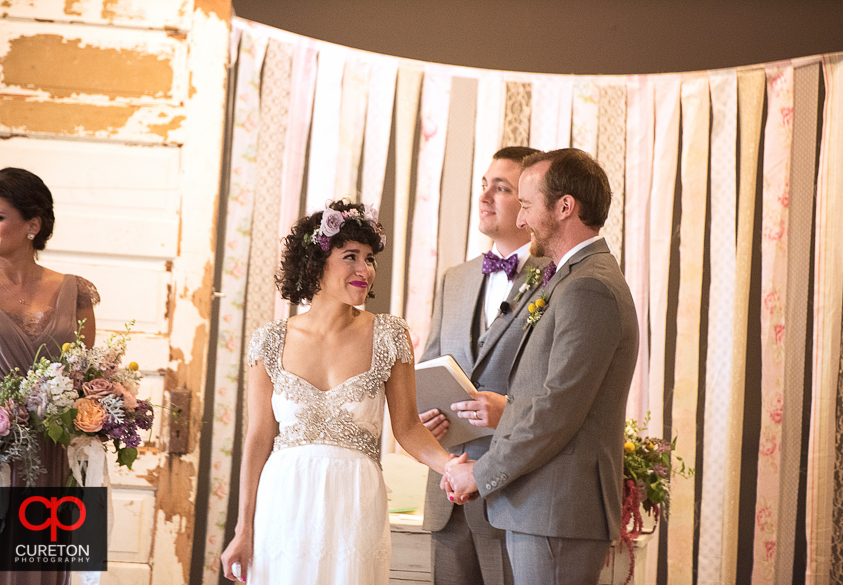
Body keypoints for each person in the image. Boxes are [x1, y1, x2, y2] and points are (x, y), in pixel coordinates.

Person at [220, 200, 451, 584]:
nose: (365, 270)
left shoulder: (390, 335)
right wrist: (244, 529)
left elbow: (408, 428)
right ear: (316, 265)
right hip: (284, 501)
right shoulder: (270, 341)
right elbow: (259, 437)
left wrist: (452, 467)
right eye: (351, 257)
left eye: (370, 258)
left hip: (354, 500)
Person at [443, 149, 639, 585]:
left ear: (564, 206)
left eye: (528, 206)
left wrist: (482, 471)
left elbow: (557, 412)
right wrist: (507, 409)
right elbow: (551, 398)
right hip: (544, 509)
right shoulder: (571, 277)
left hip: (557, 511)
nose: (522, 220)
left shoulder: (588, 286)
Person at [417, 146, 547, 585]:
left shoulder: (559, 280)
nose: (486, 195)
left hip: (513, 495)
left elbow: (557, 390)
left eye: (502, 188)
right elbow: (428, 366)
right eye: (484, 185)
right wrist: (423, 419)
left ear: (529, 201)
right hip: (447, 495)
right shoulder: (455, 278)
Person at [0, 167, 100, 585]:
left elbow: (87, 376)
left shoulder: (73, 292)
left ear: (32, 225)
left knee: (39, 569)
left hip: (53, 456)